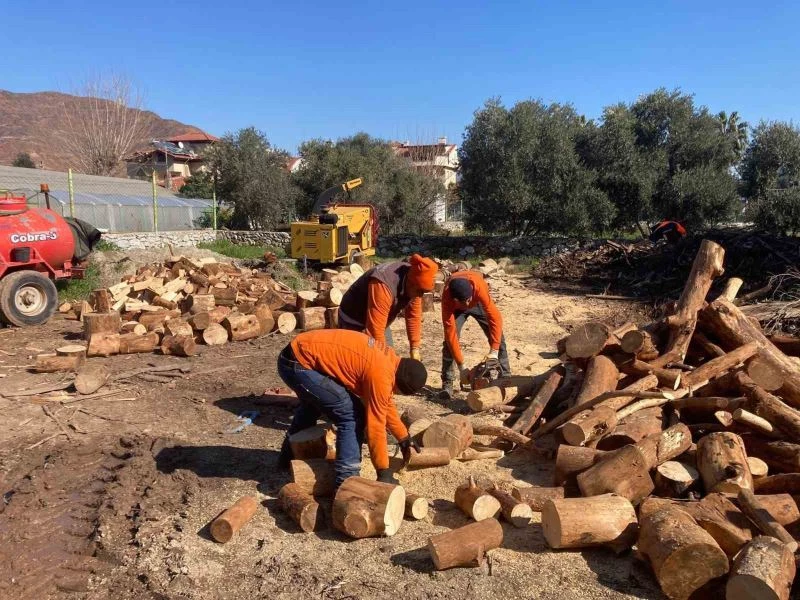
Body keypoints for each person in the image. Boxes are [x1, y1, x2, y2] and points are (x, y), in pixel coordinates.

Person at [277, 329, 427, 487]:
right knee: (352, 415)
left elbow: (385, 403)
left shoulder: (390, 361)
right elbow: (376, 427)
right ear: (400, 386)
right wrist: (384, 471)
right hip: (298, 365)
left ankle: (287, 458)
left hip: (296, 355)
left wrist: (403, 437)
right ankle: (347, 481)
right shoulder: (381, 375)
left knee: (313, 405)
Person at [338, 253, 438, 360]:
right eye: (419, 291)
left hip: (379, 320)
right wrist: (384, 360)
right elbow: (375, 331)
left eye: (423, 292)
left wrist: (415, 348)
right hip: (353, 320)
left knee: (388, 356)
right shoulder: (383, 284)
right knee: (363, 362)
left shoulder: (416, 283)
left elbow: (413, 316)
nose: (420, 295)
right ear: (411, 282)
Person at [440, 270, 509, 396]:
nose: (467, 304)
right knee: (448, 343)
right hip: (456, 309)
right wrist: (462, 367)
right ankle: (447, 383)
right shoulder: (447, 298)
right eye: (463, 302)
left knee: (499, 339)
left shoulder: (479, 286)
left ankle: (506, 377)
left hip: (478, 303)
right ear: (455, 299)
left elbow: (495, 318)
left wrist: (494, 350)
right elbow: (451, 334)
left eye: (468, 300)